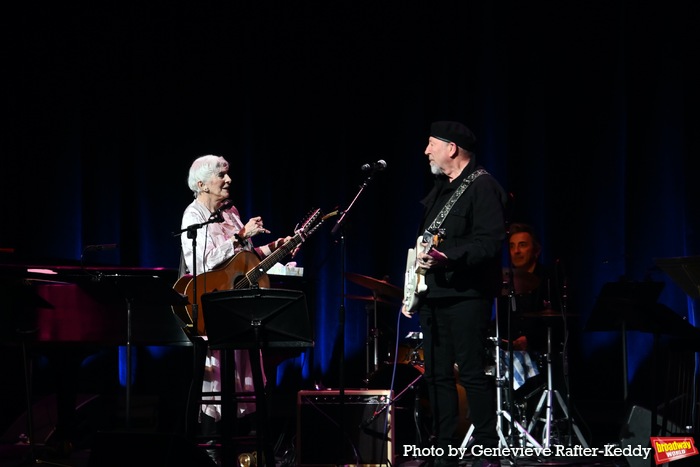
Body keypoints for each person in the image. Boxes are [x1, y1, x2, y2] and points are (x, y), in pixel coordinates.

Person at [402, 121, 507, 467]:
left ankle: (488, 449)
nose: (426, 151)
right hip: (434, 296)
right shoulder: (440, 190)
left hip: (466, 295)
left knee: (473, 373)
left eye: (431, 144)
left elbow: (490, 243)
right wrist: (412, 292)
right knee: (437, 375)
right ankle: (444, 449)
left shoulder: (484, 187)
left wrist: (450, 256)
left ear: (452, 148)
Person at [179, 154, 290, 436]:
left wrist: (276, 248)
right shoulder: (194, 216)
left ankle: (247, 446)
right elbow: (202, 263)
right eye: (221, 175)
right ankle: (213, 448)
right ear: (202, 184)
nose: (228, 180)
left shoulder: (231, 213)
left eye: (228, 174)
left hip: (240, 304)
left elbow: (244, 263)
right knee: (217, 380)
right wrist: (240, 236)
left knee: (250, 376)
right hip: (212, 307)